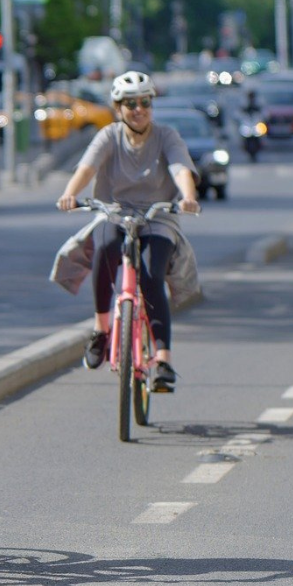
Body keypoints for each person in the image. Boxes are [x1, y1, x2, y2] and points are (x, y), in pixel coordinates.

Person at [56, 70, 200, 391]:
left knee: (151, 275)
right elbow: (87, 167)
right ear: (117, 107)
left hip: (157, 218)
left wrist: (188, 197)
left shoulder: (167, 136)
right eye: (130, 103)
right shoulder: (109, 136)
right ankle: (101, 329)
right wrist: (70, 193)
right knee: (104, 248)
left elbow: (180, 169)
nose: (139, 109)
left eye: (145, 102)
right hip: (115, 213)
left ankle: (162, 359)